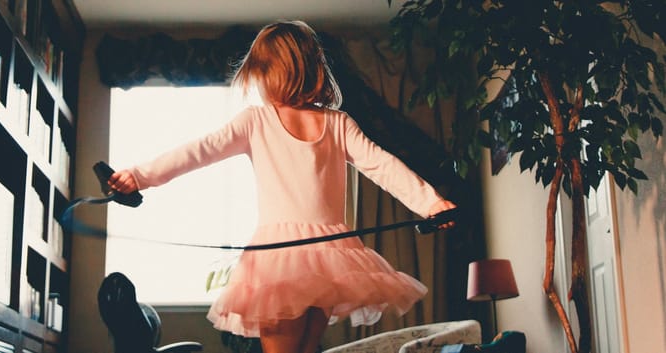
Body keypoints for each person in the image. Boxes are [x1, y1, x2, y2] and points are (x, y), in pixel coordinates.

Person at [108, 20, 456, 353]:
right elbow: (384, 165)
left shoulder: (259, 120)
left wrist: (138, 176)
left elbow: (197, 152)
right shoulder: (336, 123)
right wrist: (431, 203)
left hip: (280, 258)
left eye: (259, 73)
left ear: (273, 72)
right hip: (329, 260)